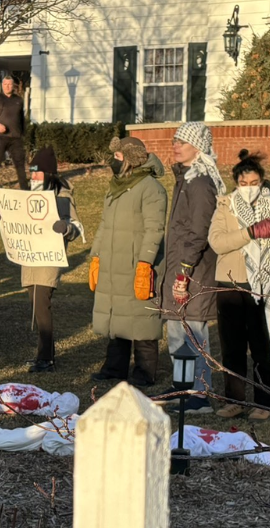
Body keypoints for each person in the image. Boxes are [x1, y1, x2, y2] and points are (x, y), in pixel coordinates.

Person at [207, 150, 270, 420]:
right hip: (231, 283)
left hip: (263, 285)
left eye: (255, 183)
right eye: (244, 184)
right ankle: (235, 399)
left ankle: (264, 401)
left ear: (263, 182)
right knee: (232, 347)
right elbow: (217, 242)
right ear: (236, 184)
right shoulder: (225, 205)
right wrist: (249, 233)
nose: (250, 189)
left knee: (263, 345)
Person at [154, 122, 221, 413]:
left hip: (193, 271)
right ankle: (181, 385)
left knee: (193, 331)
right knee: (176, 330)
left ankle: (200, 393)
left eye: (182, 141)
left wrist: (184, 272)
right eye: (174, 140)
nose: (175, 146)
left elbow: (199, 230)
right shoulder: (185, 178)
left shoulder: (201, 181)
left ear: (198, 146)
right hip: (178, 267)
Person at [90, 137, 167, 387]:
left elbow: (154, 229)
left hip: (136, 264)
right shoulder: (116, 186)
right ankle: (114, 368)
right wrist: (96, 255)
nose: (113, 161)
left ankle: (145, 372)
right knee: (117, 316)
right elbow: (104, 224)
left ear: (130, 158)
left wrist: (145, 263)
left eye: (118, 156)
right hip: (113, 263)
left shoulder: (151, 189)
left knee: (142, 319)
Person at [14, 146, 83, 373]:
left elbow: (76, 225)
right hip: (30, 256)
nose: (33, 176)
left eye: (37, 172)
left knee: (42, 305)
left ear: (48, 174)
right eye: (31, 171)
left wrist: (65, 228)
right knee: (35, 304)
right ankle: (46, 354)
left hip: (48, 258)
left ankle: (45, 358)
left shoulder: (62, 195)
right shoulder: (28, 193)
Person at [0, 76, 29, 191]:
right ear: (2, 85)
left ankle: (24, 187)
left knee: (19, 163)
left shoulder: (18, 100)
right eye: (5, 84)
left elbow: (21, 118)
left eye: (9, 84)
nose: (7, 86)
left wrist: (23, 133)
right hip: (0, 137)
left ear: (13, 86)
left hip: (16, 137)